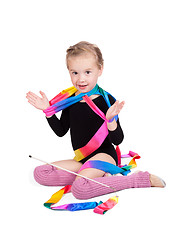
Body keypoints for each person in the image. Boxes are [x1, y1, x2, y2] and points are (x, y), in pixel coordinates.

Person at [26, 41, 165, 200]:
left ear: (100, 69)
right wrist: (48, 111)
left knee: (80, 189)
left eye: (87, 72)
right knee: (40, 173)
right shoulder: (69, 101)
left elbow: (118, 140)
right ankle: (94, 177)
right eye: (75, 73)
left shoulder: (106, 100)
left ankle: (137, 179)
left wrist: (111, 121)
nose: (81, 79)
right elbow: (61, 131)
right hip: (82, 159)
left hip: (104, 155)